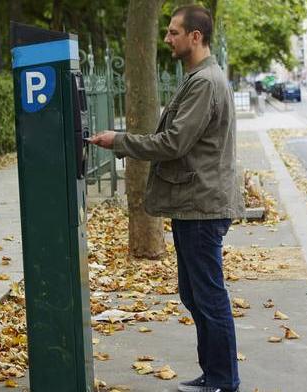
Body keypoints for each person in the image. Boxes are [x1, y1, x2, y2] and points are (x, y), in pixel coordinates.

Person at [89, 5, 243, 392]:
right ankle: (214, 375)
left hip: (201, 205)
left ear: (196, 36)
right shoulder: (199, 78)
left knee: (207, 295)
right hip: (195, 201)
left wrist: (119, 141)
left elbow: (174, 142)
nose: (167, 39)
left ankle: (223, 379)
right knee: (195, 293)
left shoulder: (205, 81)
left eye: (174, 32)